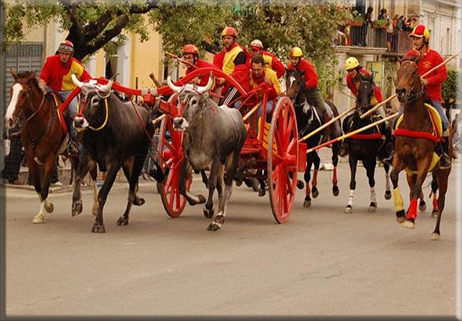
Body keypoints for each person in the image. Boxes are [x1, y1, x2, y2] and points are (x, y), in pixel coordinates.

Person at [390, 25, 450, 168]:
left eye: (418, 38)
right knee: (396, 120)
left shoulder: (435, 56)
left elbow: (443, 75)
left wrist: (428, 81)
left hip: (431, 97)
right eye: (413, 38)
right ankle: (394, 151)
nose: (415, 41)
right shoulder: (409, 56)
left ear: (425, 39)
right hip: (412, 98)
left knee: (443, 122)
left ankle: (443, 155)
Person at [38, 40, 92, 157]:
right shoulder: (50, 61)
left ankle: (73, 142)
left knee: (73, 113)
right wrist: (42, 90)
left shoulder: (77, 66)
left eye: (66, 54)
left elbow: (88, 80)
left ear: (70, 55)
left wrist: (86, 88)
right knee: (37, 106)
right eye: (61, 53)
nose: (63, 56)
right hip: (50, 89)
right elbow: (42, 80)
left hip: (69, 92)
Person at [287, 46, 328, 120]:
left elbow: (314, 80)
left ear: (300, 59)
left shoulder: (307, 66)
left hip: (311, 90)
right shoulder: (290, 68)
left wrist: (304, 86)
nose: (293, 61)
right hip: (297, 92)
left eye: (295, 59)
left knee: (323, 108)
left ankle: (326, 127)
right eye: (292, 59)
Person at [213, 27, 251, 105]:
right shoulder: (227, 52)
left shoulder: (239, 52)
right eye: (224, 38)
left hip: (238, 86)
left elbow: (240, 73)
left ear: (234, 40)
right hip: (230, 85)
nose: (226, 40)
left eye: (229, 38)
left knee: (223, 106)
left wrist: (225, 79)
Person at [249, 54, 281, 121]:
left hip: (270, 100)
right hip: (256, 101)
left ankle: (259, 130)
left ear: (263, 67)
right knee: (237, 104)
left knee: (260, 110)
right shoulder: (250, 76)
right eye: (254, 70)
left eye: (258, 70)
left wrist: (270, 85)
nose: (256, 72)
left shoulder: (271, 74)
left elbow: (278, 92)